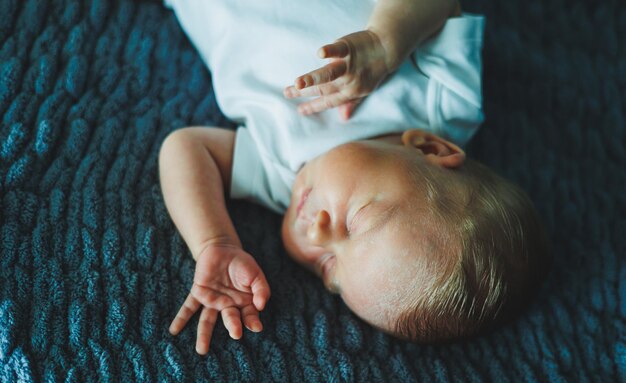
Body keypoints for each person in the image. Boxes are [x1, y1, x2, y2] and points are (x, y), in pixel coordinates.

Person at [159, 0, 550, 355]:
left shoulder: (283, 179)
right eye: (356, 219)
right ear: (432, 150)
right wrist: (385, 41)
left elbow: (188, 149)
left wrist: (214, 240)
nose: (315, 234)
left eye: (328, 267)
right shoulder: (442, 105)